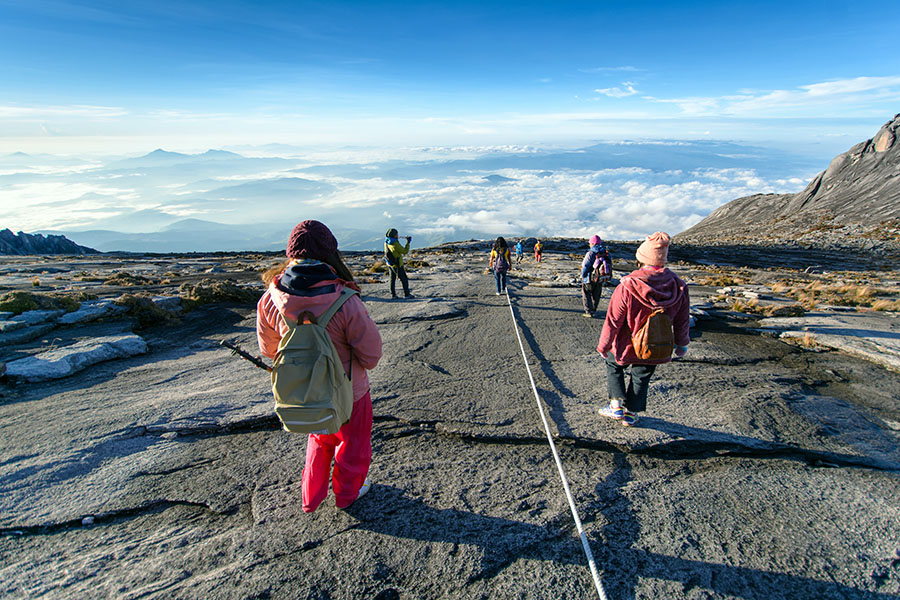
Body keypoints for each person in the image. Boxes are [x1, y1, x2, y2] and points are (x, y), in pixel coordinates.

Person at [257, 220, 383, 512]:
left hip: (304, 390)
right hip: (350, 391)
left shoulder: (270, 300)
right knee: (353, 444)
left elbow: (269, 350)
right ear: (331, 254)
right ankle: (347, 494)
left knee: (319, 437)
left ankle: (311, 498)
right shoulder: (345, 300)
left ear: (291, 253)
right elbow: (371, 356)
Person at [596, 232, 690, 427]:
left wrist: (604, 345)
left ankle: (615, 405)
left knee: (614, 365)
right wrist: (681, 344)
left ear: (641, 258)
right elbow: (682, 320)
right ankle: (631, 414)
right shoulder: (679, 286)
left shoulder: (628, 285)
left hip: (626, 343)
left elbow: (613, 320)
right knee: (642, 375)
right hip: (656, 345)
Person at [580, 234, 611, 318]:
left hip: (589, 277)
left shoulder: (591, 253)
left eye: (590, 243)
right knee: (596, 294)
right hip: (600, 277)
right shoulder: (606, 253)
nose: (589, 245)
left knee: (586, 293)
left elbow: (586, 265)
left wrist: (583, 275)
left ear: (593, 243)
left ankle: (589, 311)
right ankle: (594, 309)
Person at [384, 228, 413, 298]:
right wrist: (408, 243)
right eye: (396, 234)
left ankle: (393, 295)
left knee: (392, 279)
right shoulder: (395, 244)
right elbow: (405, 251)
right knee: (404, 279)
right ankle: (407, 294)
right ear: (394, 235)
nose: (397, 235)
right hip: (397, 264)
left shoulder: (387, 241)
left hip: (390, 263)